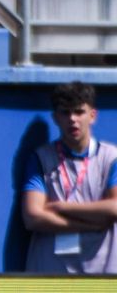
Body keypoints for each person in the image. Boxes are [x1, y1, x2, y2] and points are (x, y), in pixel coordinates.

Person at [21, 81, 117, 273]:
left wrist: (63, 207)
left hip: (103, 275)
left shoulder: (110, 157)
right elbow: (32, 217)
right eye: (65, 113)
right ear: (55, 118)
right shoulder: (41, 159)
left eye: (79, 112)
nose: (72, 119)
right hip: (52, 273)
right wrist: (90, 224)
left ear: (92, 115)